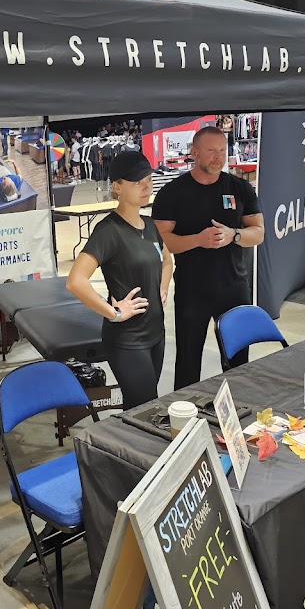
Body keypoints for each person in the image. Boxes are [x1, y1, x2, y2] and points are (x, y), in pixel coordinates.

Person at [152, 126, 264, 390]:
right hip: (192, 290)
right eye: (211, 150)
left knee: (239, 363)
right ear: (194, 152)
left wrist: (234, 235)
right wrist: (198, 240)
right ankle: (185, 410)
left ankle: (239, 407)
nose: (218, 157)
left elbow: (258, 233)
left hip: (234, 287)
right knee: (188, 362)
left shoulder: (239, 188)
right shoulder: (173, 192)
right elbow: (160, 242)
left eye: (222, 150)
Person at [66, 151, 172, 410]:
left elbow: (167, 261)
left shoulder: (150, 225)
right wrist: (113, 313)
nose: (146, 187)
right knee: (145, 409)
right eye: (137, 182)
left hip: (156, 333)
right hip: (128, 339)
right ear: (117, 187)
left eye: (148, 180)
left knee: (141, 408)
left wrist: (162, 287)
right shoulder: (108, 231)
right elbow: (75, 281)